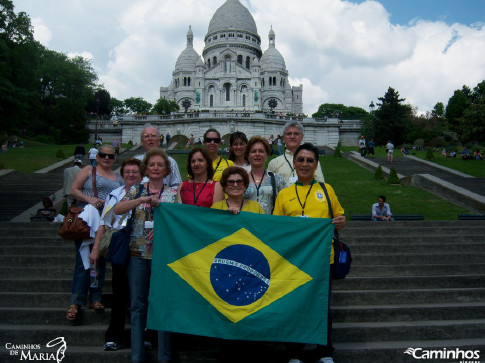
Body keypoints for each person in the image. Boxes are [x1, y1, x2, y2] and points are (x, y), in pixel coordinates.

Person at [273, 143, 345, 363]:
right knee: (295, 306)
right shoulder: (284, 194)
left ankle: (325, 352)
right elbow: (277, 226)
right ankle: (295, 353)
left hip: (324, 258)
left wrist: (340, 222)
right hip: (295, 260)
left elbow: (340, 217)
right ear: (294, 163)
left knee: (323, 307)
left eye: (310, 160)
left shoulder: (326, 189)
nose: (305, 164)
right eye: (301, 160)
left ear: (316, 164)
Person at [114, 148, 177, 363]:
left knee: (162, 305)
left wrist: (161, 206)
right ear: (146, 169)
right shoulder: (137, 190)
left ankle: (164, 355)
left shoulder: (173, 193)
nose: (156, 168)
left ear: (166, 169)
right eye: (152, 165)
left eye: (160, 165)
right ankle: (137, 355)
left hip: (163, 257)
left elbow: (179, 222)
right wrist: (141, 200)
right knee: (137, 306)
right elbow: (117, 209)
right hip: (137, 254)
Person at [89, 158, 143, 352]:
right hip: (120, 245)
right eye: (127, 172)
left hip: (143, 248)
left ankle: (143, 335)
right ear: (122, 175)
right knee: (119, 293)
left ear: (141, 174)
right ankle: (114, 335)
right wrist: (96, 248)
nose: (130, 175)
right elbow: (104, 223)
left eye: (134, 172)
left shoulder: (147, 191)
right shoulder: (115, 194)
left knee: (140, 295)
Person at [66, 145, 123, 321]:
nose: (107, 158)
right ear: (97, 157)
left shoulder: (118, 177)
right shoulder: (88, 170)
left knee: (101, 259)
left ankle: (96, 297)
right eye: (103, 155)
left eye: (110, 156)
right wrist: (90, 199)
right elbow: (73, 189)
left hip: (106, 222)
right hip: (88, 219)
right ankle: (76, 301)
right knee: (84, 259)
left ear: (114, 159)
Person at [268, 121, 325, 185]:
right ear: (283, 138)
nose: (292, 137)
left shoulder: (311, 161)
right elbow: (269, 189)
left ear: (302, 137)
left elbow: (321, 185)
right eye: (289, 134)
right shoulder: (274, 163)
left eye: (296, 134)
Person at [244, 136, 286, 215]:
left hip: (269, 225)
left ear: (267, 155)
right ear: (248, 155)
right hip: (246, 225)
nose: (257, 154)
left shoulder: (277, 179)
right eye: (253, 151)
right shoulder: (241, 179)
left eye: (261, 151)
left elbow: (286, 203)